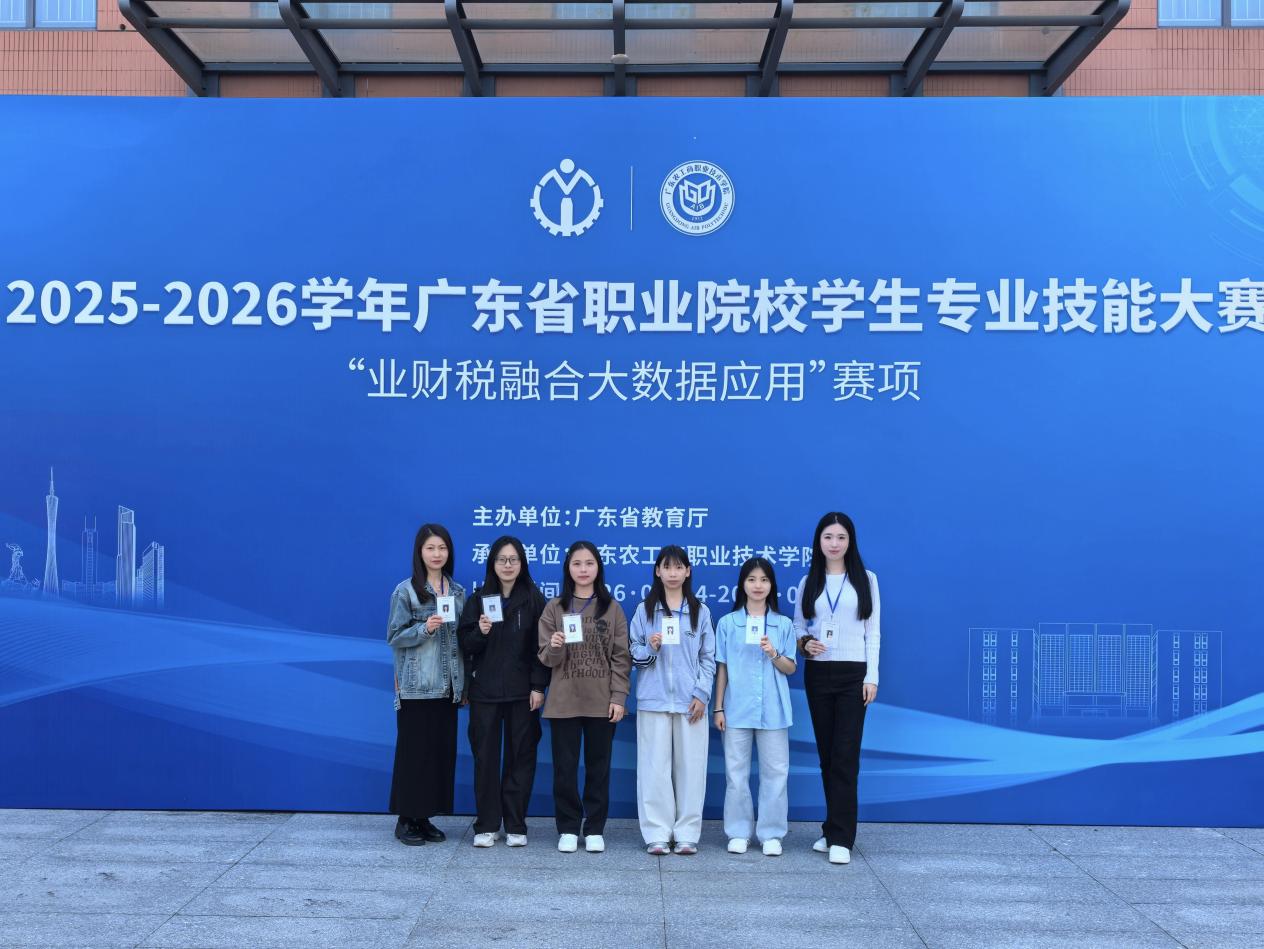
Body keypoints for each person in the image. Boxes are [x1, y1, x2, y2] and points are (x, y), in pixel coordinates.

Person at [793, 511, 880, 866]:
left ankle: (843, 837)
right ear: (819, 541)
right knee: (827, 756)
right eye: (828, 537)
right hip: (818, 673)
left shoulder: (866, 580)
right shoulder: (808, 581)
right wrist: (805, 644)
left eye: (841, 537)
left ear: (850, 541)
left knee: (845, 755)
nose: (834, 543)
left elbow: (873, 632)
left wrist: (871, 676)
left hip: (853, 674)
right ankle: (831, 829)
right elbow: (798, 627)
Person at [538, 541, 631, 854]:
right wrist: (555, 645)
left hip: (601, 702)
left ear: (598, 568)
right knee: (564, 769)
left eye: (589, 563)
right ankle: (567, 827)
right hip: (563, 702)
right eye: (577, 563)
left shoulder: (612, 608)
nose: (583, 569)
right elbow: (546, 659)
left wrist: (618, 697)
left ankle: (594, 828)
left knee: (598, 768)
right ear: (568, 568)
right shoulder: (554, 608)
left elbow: (621, 657)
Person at [458, 535, 549, 848]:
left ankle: (515, 824)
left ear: (522, 563)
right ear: (492, 564)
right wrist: (481, 632)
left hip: (522, 693)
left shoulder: (534, 600)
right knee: (485, 759)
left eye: (513, 559)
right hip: (484, 692)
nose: (508, 565)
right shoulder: (478, 599)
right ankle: (486, 825)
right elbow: (465, 645)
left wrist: (538, 686)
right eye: (501, 559)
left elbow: (541, 649)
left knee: (521, 758)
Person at [628, 545, 715, 856]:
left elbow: (708, 658)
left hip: (691, 703)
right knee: (654, 769)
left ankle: (687, 833)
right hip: (653, 701)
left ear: (688, 571)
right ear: (658, 571)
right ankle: (657, 833)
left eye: (679, 567)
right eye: (667, 567)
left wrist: (702, 694)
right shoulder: (645, 610)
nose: (673, 573)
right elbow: (633, 653)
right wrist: (650, 648)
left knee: (691, 769)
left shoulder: (700, 611)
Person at [712, 557, 797, 857]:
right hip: (737, 708)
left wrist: (773, 652)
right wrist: (718, 708)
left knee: (776, 773)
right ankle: (738, 832)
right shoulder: (728, 623)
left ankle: (771, 834)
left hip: (774, 709)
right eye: (751, 579)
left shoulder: (783, 624)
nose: (758, 585)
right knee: (736, 774)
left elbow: (790, 668)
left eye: (764, 580)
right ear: (742, 585)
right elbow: (721, 668)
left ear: (771, 585)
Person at [387, 523, 465, 846]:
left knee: (438, 754)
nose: (437, 554)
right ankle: (406, 819)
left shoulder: (457, 592)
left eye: (442, 548)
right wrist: (425, 629)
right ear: (420, 552)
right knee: (414, 754)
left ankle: (425, 816)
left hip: (448, 688)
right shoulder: (405, 591)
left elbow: (461, 640)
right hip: (417, 686)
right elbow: (394, 636)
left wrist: (462, 685)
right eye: (431, 548)